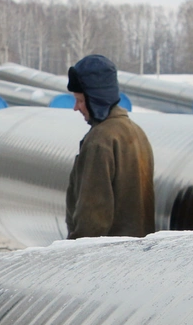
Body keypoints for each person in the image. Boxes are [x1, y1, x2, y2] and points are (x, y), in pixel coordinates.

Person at [64, 54, 155, 240]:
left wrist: (75, 251)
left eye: (80, 100)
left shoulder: (100, 140)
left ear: (96, 99)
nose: (75, 107)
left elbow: (93, 214)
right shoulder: (137, 132)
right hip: (137, 254)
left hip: (107, 258)